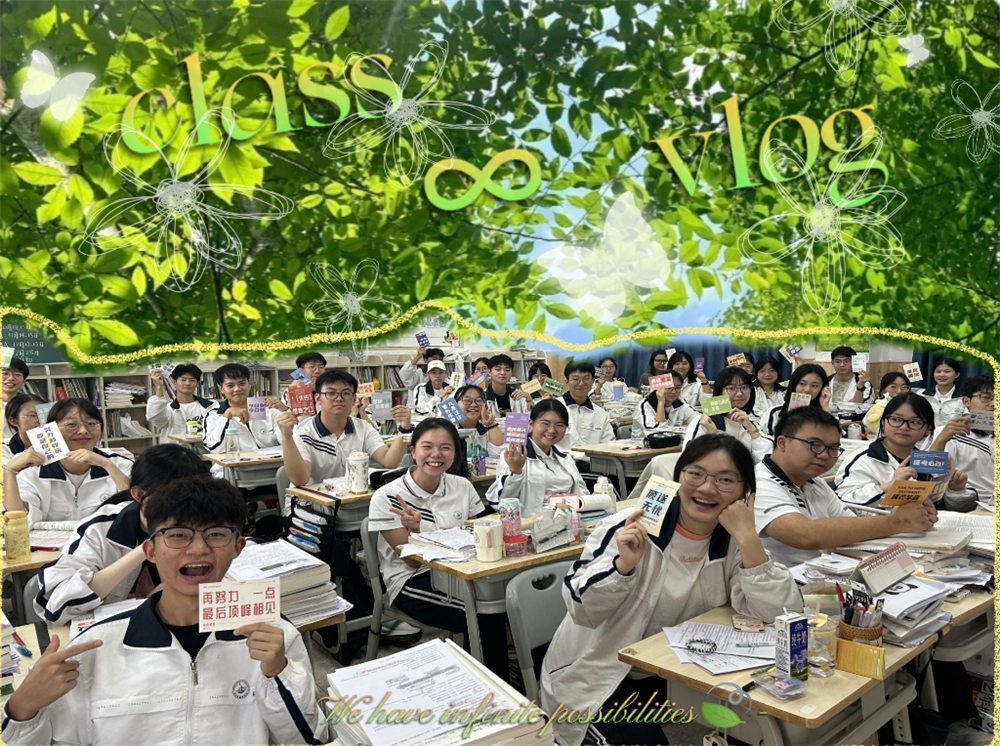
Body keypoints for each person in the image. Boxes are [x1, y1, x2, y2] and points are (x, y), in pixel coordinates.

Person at [2, 476, 326, 745]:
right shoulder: (97, 646)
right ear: (150, 551)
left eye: (216, 534)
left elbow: (309, 737)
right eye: (178, 535)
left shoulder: (272, 634)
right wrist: (22, 709)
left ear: (238, 547)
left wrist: (278, 673)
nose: (198, 549)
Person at [540, 435, 802, 746]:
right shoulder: (630, 527)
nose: (707, 488)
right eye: (696, 474)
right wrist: (623, 567)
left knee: (760, 724)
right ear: (678, 477)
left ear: (746, 492)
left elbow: (782, 615)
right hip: (598, 673)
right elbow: (580, 609)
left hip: (679, 670)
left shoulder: (734, 539)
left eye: (726, 480)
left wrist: (749, 538)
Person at [368, 418, 510, 680]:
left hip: (463, 572)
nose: (436, 454)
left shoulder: (462, 486)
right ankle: (490, 686)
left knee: (514, 600)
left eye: (445, 447)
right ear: (413, 452)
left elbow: (481, 531)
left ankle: (511, 674)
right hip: (412, 579)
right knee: (481, 613)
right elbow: (412, 563)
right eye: (427, 447)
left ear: (455, 453)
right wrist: (415, 531)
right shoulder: (387, 497)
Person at [34, 444, 212, 624]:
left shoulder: (210, 528)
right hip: (110, 630)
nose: (184, 510)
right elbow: (56, 607)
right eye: (174, 499)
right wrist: (147, 548)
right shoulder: (101, 528)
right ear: (139, 495)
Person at [754, 408, 937, 568]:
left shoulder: (814, 482)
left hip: (825, 572)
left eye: (833, 448)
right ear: (782, 443)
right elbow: (805, 535)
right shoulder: (758, 483)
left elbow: (850, 527)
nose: (824, 455)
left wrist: (911, 517)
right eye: (815, 445)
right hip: (784, 584)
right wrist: (896, 522)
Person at [4, 398, 133, 529]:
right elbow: (19, 522)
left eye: (91, 424)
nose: (83, 431)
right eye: (72, 425)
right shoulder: (32, 469)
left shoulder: (120, 464)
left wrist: (107, 465)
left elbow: (138, 509)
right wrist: (9, 471)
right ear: (51, 429)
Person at [835, 393, 976, 511]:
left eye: (914, 422)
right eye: (896, 419)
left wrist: (956, 490)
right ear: (883, 422)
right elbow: (842, 502)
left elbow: (955, 509)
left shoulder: (929, 460)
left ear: (928, 428)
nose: (904, 427)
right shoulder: (863, 459)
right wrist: (889, 486)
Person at [280, 369, 412, 487]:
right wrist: (287, 437)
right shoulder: (303, 433)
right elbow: (300, 480)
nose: (339, 398)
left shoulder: (363, 427)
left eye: (346, 393)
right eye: (331, 393)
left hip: (350, 499)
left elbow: (389, 461)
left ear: (354, 399)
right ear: (318, 399)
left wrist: (404, 428)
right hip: (311, 501)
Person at [486, 399, 589, 516]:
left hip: (569, 518)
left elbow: (583, 495)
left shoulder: (566, 459)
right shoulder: (514, 456)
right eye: (545, 424)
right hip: (533, 523)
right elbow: (500, 503)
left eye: (559, 425)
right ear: (531, 424)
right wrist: (515, 472)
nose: (552, 430)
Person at [929, 375, 994, 503]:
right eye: (986, 398)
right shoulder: (949, 433)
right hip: (972, 505)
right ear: (966, 401)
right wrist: (941, 441)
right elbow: (931, 474)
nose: (994, 404)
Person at [683, 367, 770, 463]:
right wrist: (711, 435)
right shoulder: (704, 422)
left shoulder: (752, 424)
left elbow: (766, 461)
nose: (739, 394)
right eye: (731, 388)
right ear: (720, 391)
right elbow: (689, 461)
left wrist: (751, 428)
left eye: (744, 387)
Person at [202, 364, 282, 465]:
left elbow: (287, 441)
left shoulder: (268, 409)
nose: (237, 389)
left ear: (249, 384)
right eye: (230, 385)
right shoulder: (214, 415)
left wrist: (284, 412)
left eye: (242, 383)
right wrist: (227, 415)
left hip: (272, 465)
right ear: (221, 389)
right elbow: (214, 447)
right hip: (234, 469)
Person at [146, 363, 217, 443]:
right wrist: (159, 386)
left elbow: (217, 429)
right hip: (174, 449)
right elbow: (155, 417)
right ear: (174, 382)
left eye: (192, 380)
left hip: (202, 449)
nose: (187, 383)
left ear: (197, 383)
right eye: (183, 380)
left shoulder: (210, 406)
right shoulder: (167, 409)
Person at [760, 364, 833, 438]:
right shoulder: (774, 413)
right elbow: (764, 441)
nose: (807, 389)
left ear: (823, 388)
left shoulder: (825, 413)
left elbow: (833, 438)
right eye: (802, 384)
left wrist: (825, 405)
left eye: (814, 386)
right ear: (794, 384)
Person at [559, 361, 615, 449]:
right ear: (567, 381)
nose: (581, 383)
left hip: (593, 457)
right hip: (561, 457)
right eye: (575, 379)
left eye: (586, 378)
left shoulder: (601, 415)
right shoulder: (554, 409)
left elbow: (609, 446)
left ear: (593, 381)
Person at [631, 371, 699, 441]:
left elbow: (698, 419)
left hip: (672, 443)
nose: (674, 392)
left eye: (678, 388)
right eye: (669, 388)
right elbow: (656, 432)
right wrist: (661, 402)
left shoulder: (680, 402)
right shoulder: (645, 405)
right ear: (659, 389)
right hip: (644, 444)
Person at [452, 385, 504, 456]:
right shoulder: (448, 430)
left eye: (479, 400)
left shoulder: (485, 429)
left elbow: (499, 453)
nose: (473, 405)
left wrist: (490, 424)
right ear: (455, 404)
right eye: (467, 400)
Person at [2, 393, 44, 462]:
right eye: (33, 415)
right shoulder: (5, 450)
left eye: (43, 414)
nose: (40, 420)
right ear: (14, 421)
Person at [921, 357, 966, 423]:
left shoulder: (964, 398)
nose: (941, 375)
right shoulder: (922, 395)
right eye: (938, 372)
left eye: (947, 372)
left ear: (956, 374)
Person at [2, 357, 30, 443]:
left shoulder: (30, 405)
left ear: (24, 381)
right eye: (5, 373)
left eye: (17, 374)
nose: (11, 378)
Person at [751, 355, 785, 425]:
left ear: (778, 372)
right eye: (762, 371)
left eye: (772, 371)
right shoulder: (751, 391)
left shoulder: (785, 392)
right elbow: (755, 415)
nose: (767, 374)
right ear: (756, 373)